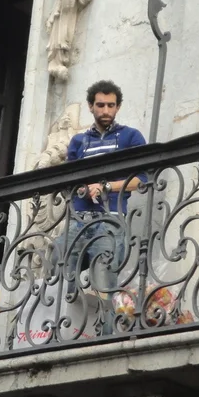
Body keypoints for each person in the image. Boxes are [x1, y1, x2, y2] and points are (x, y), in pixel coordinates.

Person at [52, 80, 147, 328]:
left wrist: (106, 187)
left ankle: (105, 336)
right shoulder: (79, 141)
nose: (106, 111)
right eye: (101, 105)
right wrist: (81, 188)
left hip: (110, 219)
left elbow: (142, 180)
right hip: (79, 219)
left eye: (111, 105)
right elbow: (69, 180)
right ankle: (65, 329)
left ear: (118, 107)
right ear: (90, 106)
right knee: (57, 263)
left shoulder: (131, 137)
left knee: (105, 280)